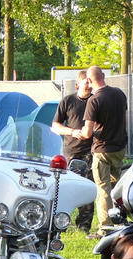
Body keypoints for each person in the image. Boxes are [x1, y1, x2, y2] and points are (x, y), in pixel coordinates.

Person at [78, 66, 127, 238]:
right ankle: (119, 222)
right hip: (119, 149)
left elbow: (87, 133)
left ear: (89, 81)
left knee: (103, 189)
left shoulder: (94, 100)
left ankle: (105, 228)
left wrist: (77, 133)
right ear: (103, 76)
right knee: (115, 188)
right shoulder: (119, 94)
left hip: (102, 150)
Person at [51, 70, 94, 233]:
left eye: (91, 82)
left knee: (88, 188)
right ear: (77, 84)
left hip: (91, 151)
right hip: (71, 152)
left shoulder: (96, 101)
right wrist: (72, 132)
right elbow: (55, 126)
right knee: (67, 188)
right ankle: (61, 223)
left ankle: (84, 226)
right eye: (86, 82)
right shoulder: (68, 101)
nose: (89, 85)